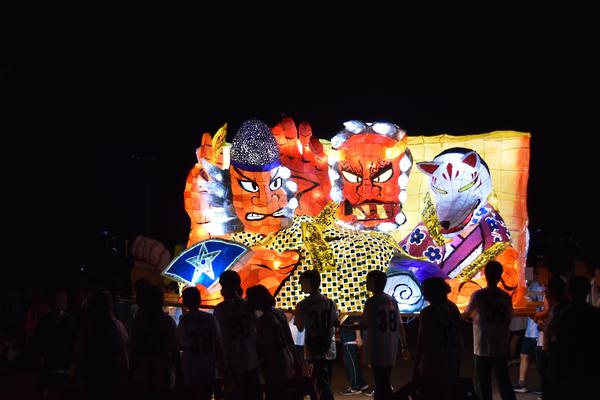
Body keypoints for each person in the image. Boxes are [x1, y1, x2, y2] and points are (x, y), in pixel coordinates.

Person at [343, 270, 409, 400]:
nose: (366, 283)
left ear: (374, 282)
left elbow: (363, 325)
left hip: (377, 348)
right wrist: (404, 346)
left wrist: (341, 326)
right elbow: (400, 325)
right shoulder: (392, 300)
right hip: (390, 348)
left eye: (368, 280)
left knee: (381, 384)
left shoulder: (372, 301)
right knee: (384, 382)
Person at [462, 261, 515, 400]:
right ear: (500, 276)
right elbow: (509, 318)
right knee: (504, 380)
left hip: (482, 345)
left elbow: (466, 314)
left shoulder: (478, 295)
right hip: (500, 344)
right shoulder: (505, 296)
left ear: (485, 274)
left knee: (483, 382)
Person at [213, 270, 261, 400]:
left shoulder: (220, 309)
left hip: (232, 363)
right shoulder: (248, 305)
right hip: (251, 359)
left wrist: (221, 366)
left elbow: (218, 339)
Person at [73, 290, 129, 400]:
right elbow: (124, 350)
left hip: (92, 375)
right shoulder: (117, 325)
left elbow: (79, 352)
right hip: (112, 374)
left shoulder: (87, 327)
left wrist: (75, 375)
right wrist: (126, 374)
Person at [413, 277, 462, 400]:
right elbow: (458, 334)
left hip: (433, 363)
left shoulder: (427, 313)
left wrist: (416, 365)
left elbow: (422, 342)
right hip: (450, 359)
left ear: (432, 292)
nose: (423, 292)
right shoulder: (453, 308)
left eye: (424, 290)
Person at [129, 284, 182, 399]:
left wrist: (131, 375)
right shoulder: (167, 322)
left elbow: (133, 351)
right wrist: (180, 376)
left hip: (143, 376)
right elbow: (175, 351)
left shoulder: (137, 322)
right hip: (164, 375)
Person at [247, 284, 297, 400]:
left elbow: (266, 348)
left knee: (273, 393)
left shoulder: (263, 321)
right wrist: (295, 360)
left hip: (275, 365)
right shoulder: (278, 313)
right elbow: (289, 339)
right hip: (286, 359)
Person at [294, 269, 338, 400]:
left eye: (302, 283)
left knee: (315, 383)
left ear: (309, 283)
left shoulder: (302, 305)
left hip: (312, 350)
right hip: (329, 347)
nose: (301, 286)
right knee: (326, 382)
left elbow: (300, 328)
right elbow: (335, 325)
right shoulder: (330, 302)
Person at [554, 275, 600, 398]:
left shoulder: (566, 313)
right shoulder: (595, 313)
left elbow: (561, 343)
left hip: (571, 367)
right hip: (591, 366)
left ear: (569, 292)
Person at [177, 286, 216, 400]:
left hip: (191, 363)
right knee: (207, 392)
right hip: (208, 360)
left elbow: (180, 342)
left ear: (184, 302)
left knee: (194, 393)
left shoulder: (184, 319)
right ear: (199, 300)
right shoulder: (209, 317)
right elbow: (216, 339)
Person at [512, 272, 545, 394]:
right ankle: (521, 383)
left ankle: (544, 385)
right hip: (529, 330)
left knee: (540, 360)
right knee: (524, 355)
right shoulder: (531, 285)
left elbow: (542, 304)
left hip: (540, 331)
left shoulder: (546, 287)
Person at [339, 315, 369, 395]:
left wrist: (358, 337)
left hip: (350, 338)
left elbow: (356, 321)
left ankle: (355, 387)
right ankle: (361, 383)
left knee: (350, 363)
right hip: (348, 337)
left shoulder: (352, 309)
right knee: (353, 362)